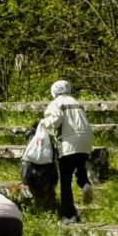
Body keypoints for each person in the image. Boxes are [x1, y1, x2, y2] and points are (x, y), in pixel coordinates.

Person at [40, 80, 93, 224]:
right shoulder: (77, 102)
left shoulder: (56, 103)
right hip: (85, 141)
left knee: (65, 180)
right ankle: (85, 184)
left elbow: (56, 119)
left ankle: (69, 216)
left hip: (68, 143)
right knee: (80, 168)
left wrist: (43, 123)